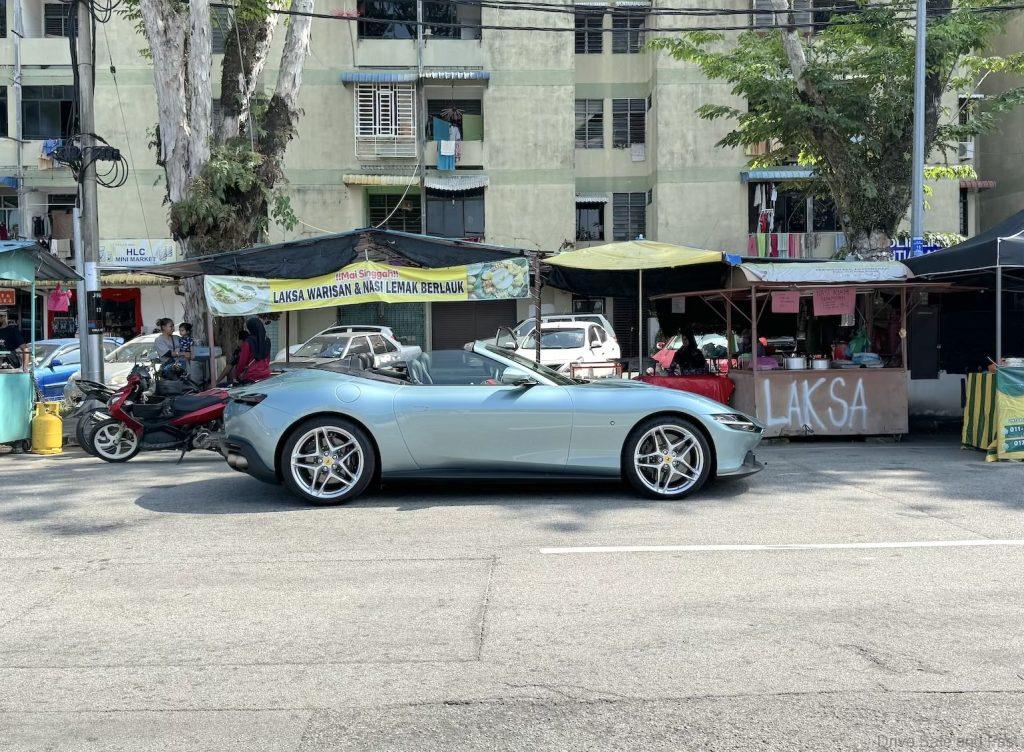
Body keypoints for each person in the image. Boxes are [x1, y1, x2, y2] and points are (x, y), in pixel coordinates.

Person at [235, 316, 272, 384]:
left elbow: (242, 362)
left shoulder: (248, 342)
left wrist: (238, 374)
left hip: (251, 377)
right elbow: (268, 359)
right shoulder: (267, 341)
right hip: (266, 376)